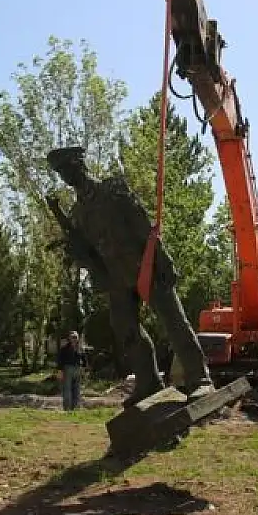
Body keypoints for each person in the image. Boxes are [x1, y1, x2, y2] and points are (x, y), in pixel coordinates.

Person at [45, 146, 213, 406]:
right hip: (117, 278)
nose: (68, 176)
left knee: (174, 322)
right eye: (62, 173)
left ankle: (200, 379)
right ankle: (148, 382)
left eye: (70, 168)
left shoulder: (113, 190)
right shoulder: (78, 213)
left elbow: (142, 223)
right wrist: (74, 248)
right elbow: (88, 253)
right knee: (125, 328)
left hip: (144, 264)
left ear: (81, 165)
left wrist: (162, 257)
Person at [56, 331, 86, 411]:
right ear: (69, 338)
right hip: (67, 369)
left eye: (76, 337)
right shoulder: (64, 349)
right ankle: (67, 408)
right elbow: (60, 360)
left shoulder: (80, 349)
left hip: (77, 369)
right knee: (67, 389)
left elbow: (84, 360)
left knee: (76, 389)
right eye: (72, 337)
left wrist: (84, 370)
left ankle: (75, 407)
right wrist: (60, 371)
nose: (74, 339)